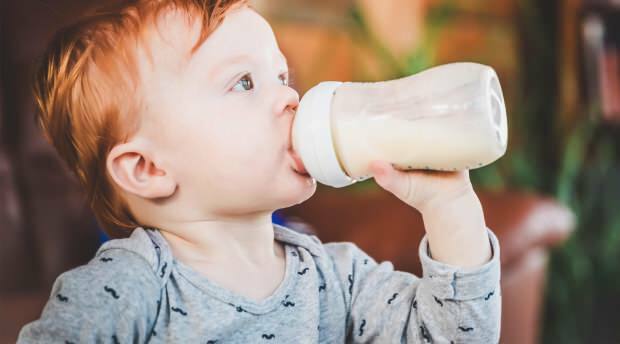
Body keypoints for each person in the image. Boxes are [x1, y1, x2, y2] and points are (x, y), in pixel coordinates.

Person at [18, 1, 501, 342]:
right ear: (148, 168)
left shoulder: (338, 277)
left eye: (282, 75)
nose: (291, 96)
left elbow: (455, 336)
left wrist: (448, 204)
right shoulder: (125, 289)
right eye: (244, 82)